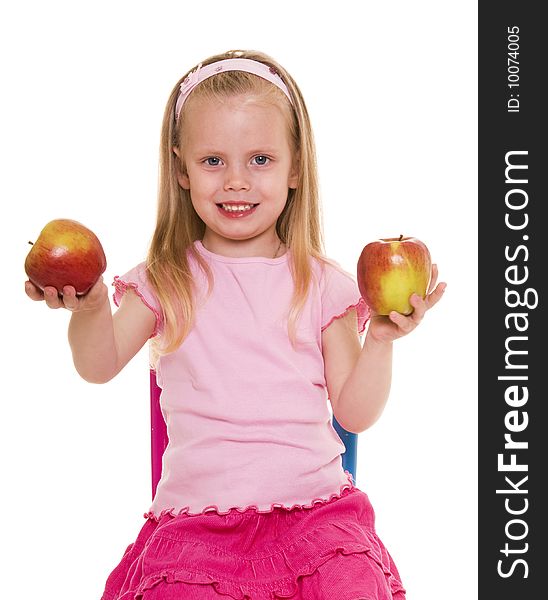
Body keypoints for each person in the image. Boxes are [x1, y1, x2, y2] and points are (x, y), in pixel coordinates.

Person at [25, 49, 446, 600]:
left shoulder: (323, 284)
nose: (237, 182)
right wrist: (88, 307)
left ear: (296, 167)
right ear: (181, 168)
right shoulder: (165, 279)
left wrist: (382, 342)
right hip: (197, 531)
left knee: (351, 586)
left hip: (314, 522)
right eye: (213, 161)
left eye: (262, 160)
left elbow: (355, 412)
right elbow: (98, 364)